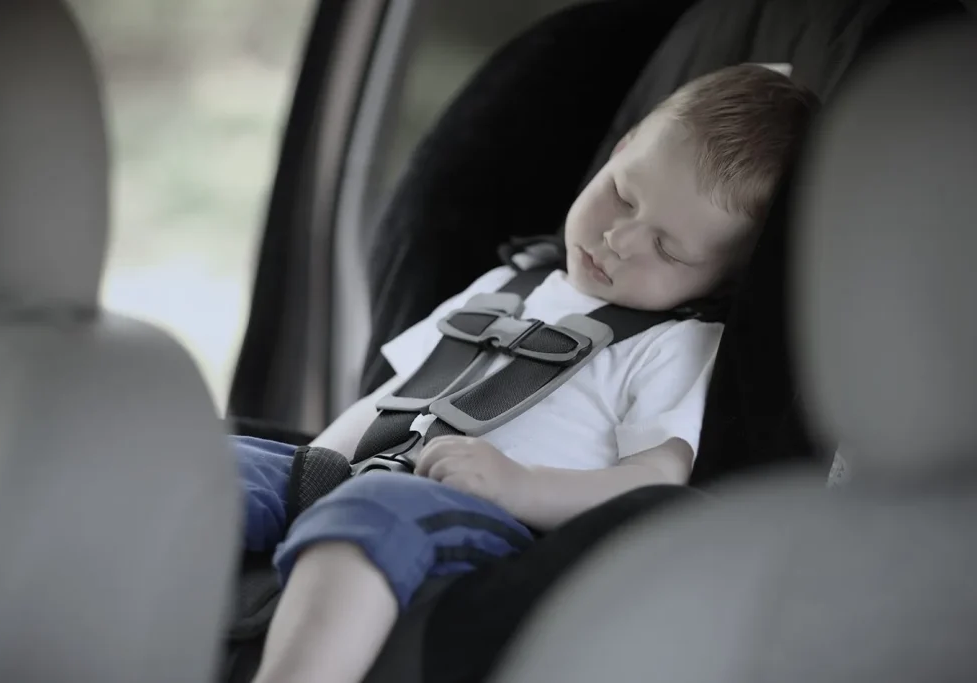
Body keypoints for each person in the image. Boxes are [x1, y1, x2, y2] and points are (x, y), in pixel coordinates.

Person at [242, 64, 819, 683]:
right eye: (623, 194)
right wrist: (315, 467)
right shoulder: (508, 285)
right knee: (221, 461)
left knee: (375, 506)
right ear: (620, 149)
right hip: (378, 473)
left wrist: (520, 486)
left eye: (669, 249)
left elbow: (654, 484)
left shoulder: (675, 346)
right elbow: (394, 397)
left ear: (725, 277)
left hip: (494, 526)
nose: (620, 238)